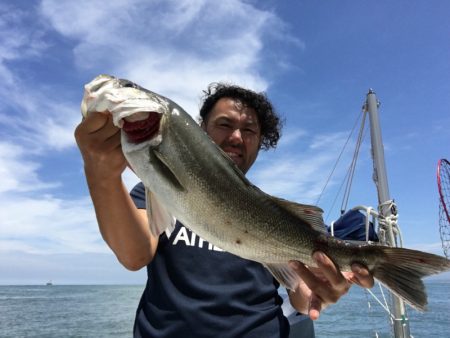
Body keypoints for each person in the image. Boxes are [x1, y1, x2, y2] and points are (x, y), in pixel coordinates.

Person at [75, 82, 374, 337]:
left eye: (249, 130)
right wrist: (101, 173)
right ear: (201, 130)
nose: (236, 137)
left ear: (260, 142)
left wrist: (321, 291)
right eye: (225, 124)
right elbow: (134, 254)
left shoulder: (275, 216)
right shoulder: (160, 187)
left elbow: (299, 292)